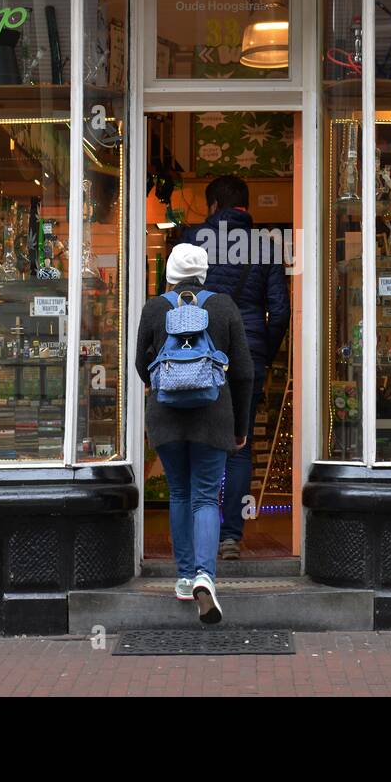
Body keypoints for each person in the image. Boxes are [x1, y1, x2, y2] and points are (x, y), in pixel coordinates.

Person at [135, 243, 253, 624]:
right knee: (205, 496)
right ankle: (206, 575)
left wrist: (166, 388)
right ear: (204, 272)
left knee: (180, 493)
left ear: (170, 272)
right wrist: (240, 428)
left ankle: (185, 577)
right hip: (213, 415)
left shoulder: (155, 307)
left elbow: (140, 364)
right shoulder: (223, 306)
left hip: (166, 418)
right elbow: (244, 372)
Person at [185, 174, 290, 559]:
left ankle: (200, 534)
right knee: (240, 448)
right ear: (247, 206)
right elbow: (279, 311)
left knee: (199, 441)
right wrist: (264, 351)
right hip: (249, 357)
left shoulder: (193, 240)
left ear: (214, 206)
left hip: (200, 354)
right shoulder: (266, 245)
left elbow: (176, 301)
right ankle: (231, 536)